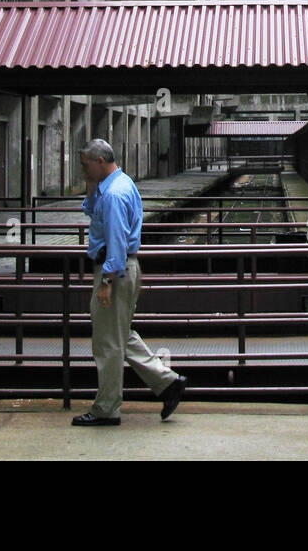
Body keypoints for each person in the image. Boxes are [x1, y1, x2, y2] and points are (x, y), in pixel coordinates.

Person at [71, 138, 187, 427]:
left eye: (86, 165)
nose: (83, 171)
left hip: (115, 269)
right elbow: (92, 210)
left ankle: (107, 409)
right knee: (119, 334)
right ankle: (168, 382)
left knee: (108, 343)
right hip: (124, 267)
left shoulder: (113, 195)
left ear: (100, 161)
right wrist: (90, 184)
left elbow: (117, 241)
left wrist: (108, 280)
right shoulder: (119, 184)